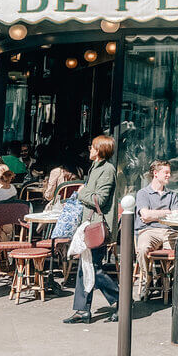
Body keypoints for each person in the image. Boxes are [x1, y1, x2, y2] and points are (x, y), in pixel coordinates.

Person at [63, 135, 119, 325]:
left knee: (93, 267)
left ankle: (121, 300)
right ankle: (82, 310)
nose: (90, 149)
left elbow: (100, 199)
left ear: (100, 150)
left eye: (93, 147)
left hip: (97, 225)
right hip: (90, 223)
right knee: (85, 266)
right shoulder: (96, 168)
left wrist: (81, 192)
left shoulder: (107, 170)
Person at [135, 159, 178, 298]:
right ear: (155, 173)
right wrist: (167, 212)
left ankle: (169, 279)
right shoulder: (143, 193)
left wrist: (153, 214)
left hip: (168, 231)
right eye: (165, 172)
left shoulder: (172, 195)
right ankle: (147, 279)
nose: (169, 175)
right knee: (142, 248)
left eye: (169, 172)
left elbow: (177, 216)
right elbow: (145, 215)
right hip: (148, 231)